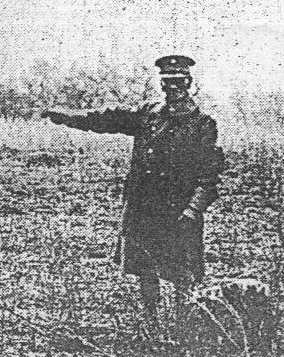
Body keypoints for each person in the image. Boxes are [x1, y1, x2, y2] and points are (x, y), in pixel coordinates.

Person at [41, 55, 225, 337]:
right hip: (144, 207)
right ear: (161, 84)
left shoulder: (202, 124)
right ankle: (150, 326)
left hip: (178, 211)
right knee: (146, 269)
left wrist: (192, 210)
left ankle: (181, 332)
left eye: (178, 82)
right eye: (166, 82)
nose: (171, 88)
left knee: (181, 274)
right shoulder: (149, 114)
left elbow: (209, 177)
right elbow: (107, 120)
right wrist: (67, 118)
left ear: (189, 83)